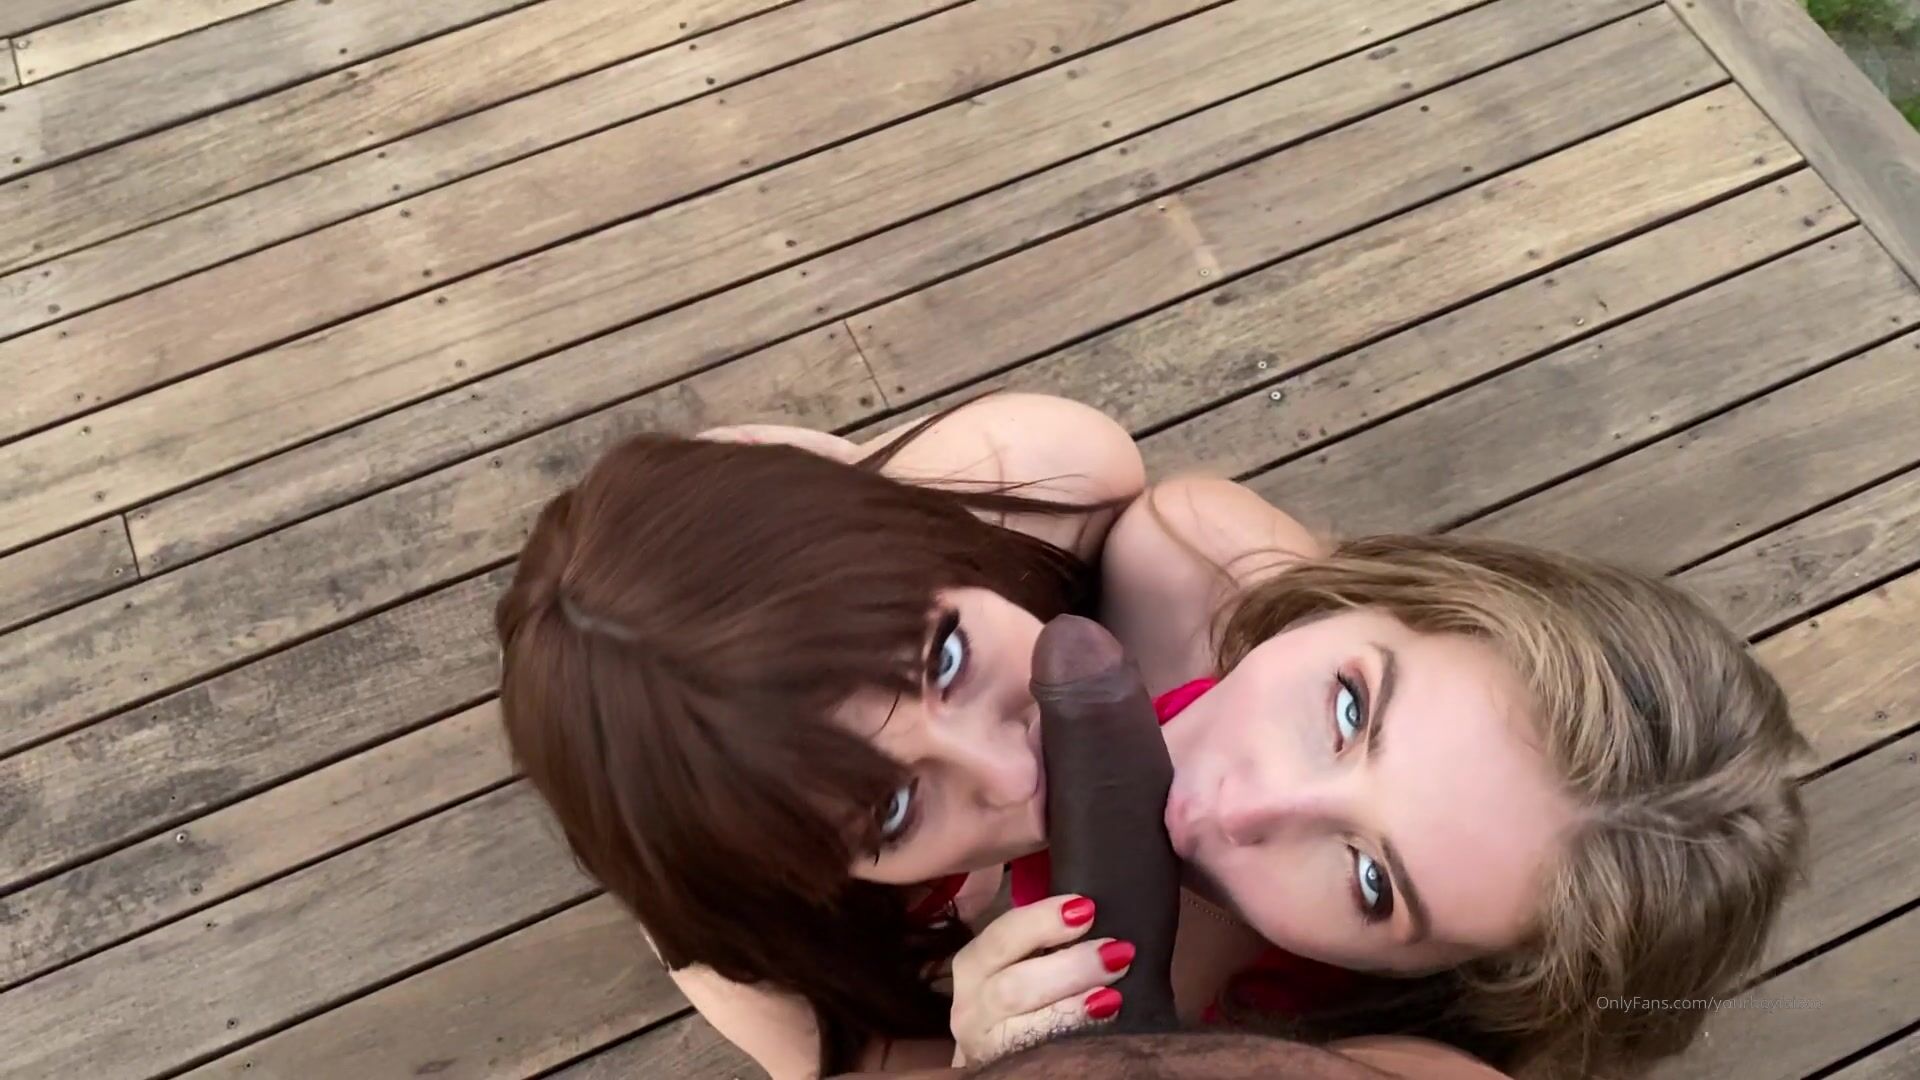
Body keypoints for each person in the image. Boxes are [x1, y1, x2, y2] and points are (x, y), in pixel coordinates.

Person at [493, 397, 1809, 1080]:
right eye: (1349, 708)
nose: (1239, 804)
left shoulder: (1391, 1041)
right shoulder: (1186, 555)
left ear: (1467, 970)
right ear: (1371, 600)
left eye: (1371, 880)